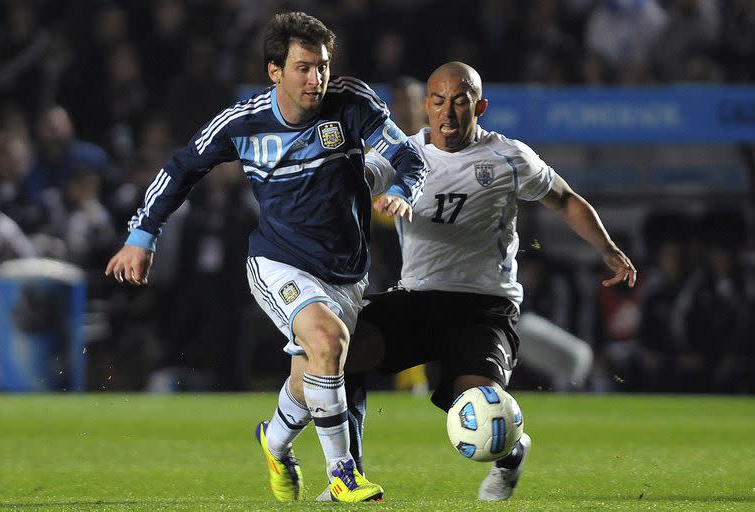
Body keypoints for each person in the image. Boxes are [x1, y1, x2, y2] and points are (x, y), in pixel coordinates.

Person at [104, 12, 428, 503]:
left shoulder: (352, 104)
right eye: (303, 67)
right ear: (274, 71)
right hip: (278, 262)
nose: (315, 78)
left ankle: (273, 442)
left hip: (346, 271)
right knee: (327, 338)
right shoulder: (243, 121)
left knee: (312, 374)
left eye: (321, 66)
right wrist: (142, 234)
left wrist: (403, 189)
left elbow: (410, 157)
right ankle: (343, 472)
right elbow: (181, 168)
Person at [332, 61, 637, 502]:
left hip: (484, 308)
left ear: (480, 106)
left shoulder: (508, 157)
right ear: (426, 106)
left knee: (482, 412)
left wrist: (607, 249)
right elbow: (353, 181)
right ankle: (349, 474)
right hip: (417, 298)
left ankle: (511, 453)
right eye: (438, 102)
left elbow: (565, 199)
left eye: (460, 102)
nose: (448, 113)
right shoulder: (401, 154)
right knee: (342, 349)